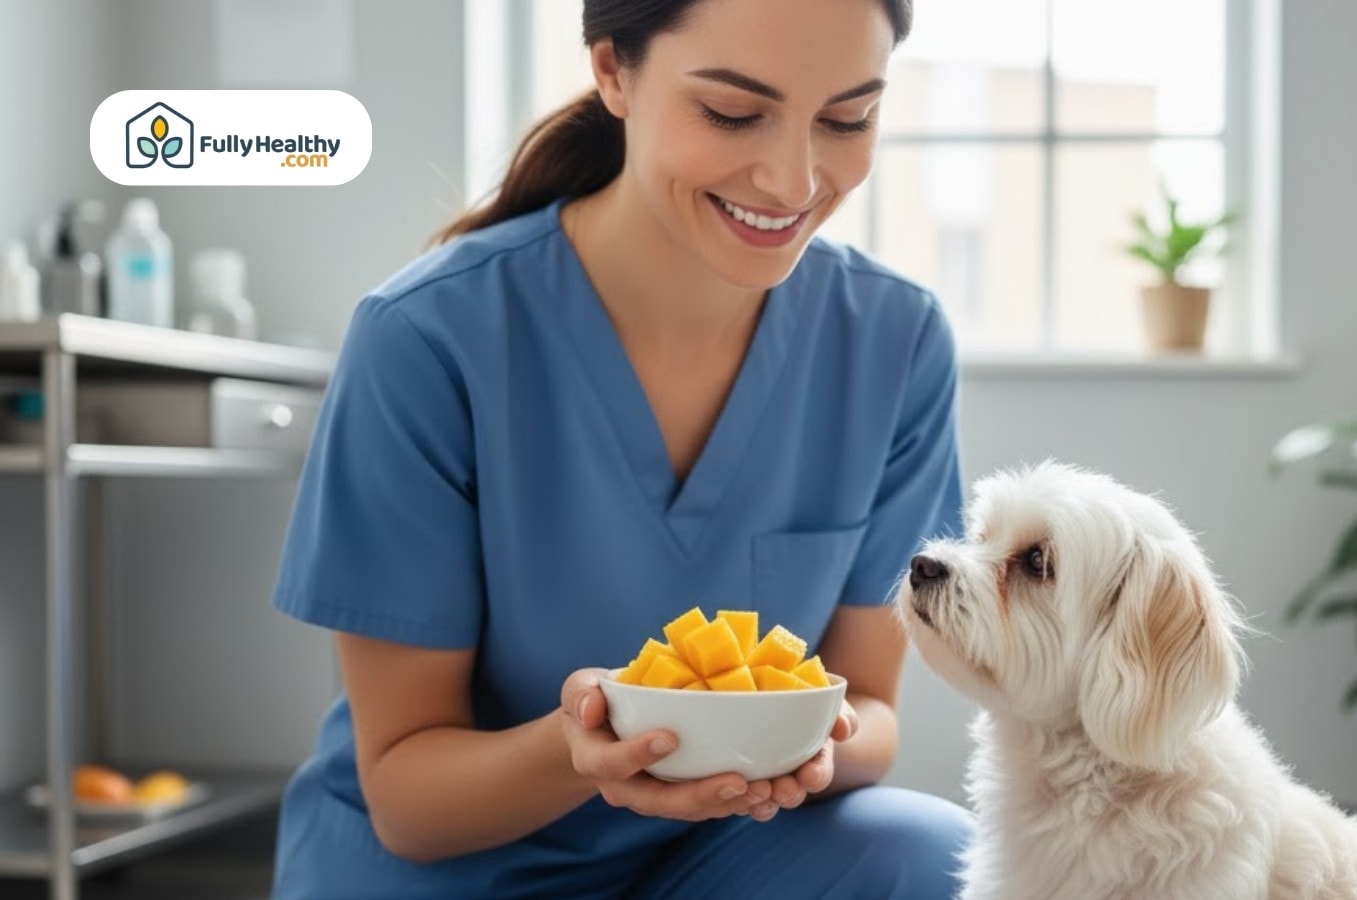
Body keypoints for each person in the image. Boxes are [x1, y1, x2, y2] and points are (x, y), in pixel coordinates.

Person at [268, 0, 973, 896]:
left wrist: (801, 745)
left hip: (723, 854)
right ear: (612, 70)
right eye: (731, 112)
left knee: (928, 854)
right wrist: (589, 753)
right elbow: (409, 797)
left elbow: (869, 707)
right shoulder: (427, 340)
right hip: (449, 870)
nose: (795, 181)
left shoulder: (894, 342)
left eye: (847, 119)